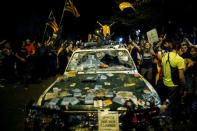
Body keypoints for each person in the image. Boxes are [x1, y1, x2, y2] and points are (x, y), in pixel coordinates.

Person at [161, 38, 186, 123]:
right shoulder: (179, 59)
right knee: (175, 104)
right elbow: (181, 77)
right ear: (178, 48)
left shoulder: (165, 56)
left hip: (165, 83)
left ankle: (167, 116)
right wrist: (184, 87)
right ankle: (173, 121)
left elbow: (163, 70)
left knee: (168, 102)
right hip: (174, 85)